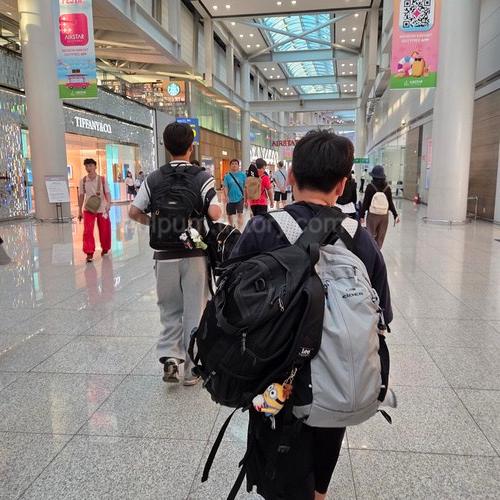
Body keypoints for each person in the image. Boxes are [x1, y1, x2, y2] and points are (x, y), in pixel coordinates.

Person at [231, 129, 392, 500]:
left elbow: (233, 306)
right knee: (328, 433)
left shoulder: (262, 228)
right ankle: (319, 492)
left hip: (273, 375)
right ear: (342, 184)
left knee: (276, 449)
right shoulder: (359, 238)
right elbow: (382, 314)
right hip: (338, 377)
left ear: (290, 176)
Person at [129, 122, 221, 386]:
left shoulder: (154, 178)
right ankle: (192, 370)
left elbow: (134, 212)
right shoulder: (202, 177)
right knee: (195, 310)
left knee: (169, 309)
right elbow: (215, 213)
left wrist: (156, 224)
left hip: (164, 254)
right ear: (191, 147)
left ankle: (170, 357)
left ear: (166, 147)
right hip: (194, 255)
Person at [78, 158, 111, 263]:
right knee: (88, 231)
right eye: (86, 166)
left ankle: (105, 248)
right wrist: (79, 210)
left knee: (105, 229)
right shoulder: (83, 181)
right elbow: (81, 196)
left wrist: (109, 203)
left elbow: (107, 193)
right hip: (89, 208)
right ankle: (89, 252)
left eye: (90, 166)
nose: (88, 168)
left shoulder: (102, 179)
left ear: (95, 166)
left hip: (102, 208)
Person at [360, 165, 400, 249]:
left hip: (372, 215)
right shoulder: (387, 188)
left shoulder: (370, 187)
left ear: (373, 176)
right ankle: (378, 252)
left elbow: (365, 203)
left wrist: (362, 215)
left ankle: (371, 252)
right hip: (384, 216)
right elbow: (390, 203)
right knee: (380, 238)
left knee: (370, 236)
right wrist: (395, 215)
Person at [223, 158, 246, 228]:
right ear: (230, 166)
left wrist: (246, 198)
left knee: (240, 214)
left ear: (238, 166)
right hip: (230, 198)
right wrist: (226, 196)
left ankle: (239, 229)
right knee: (229, 214)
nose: (234, 165)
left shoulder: (243, 175)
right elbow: (225, 187)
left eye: (236, 164)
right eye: (232, 164)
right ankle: (231, 227)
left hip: (240, 198)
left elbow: (245, 187)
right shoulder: (227, 176)